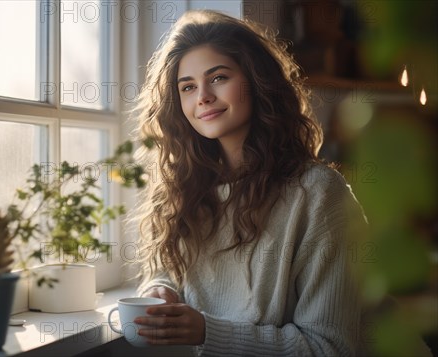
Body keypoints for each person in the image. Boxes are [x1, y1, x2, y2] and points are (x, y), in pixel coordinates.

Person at [131, 9, 370, 356]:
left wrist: (205, 332)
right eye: (187, 87)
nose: (203, 97)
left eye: (218, 78)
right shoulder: (187, 191)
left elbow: (328, 348)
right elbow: (174, 272)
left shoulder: (318, 193)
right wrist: (159, 290)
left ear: (257, 81)